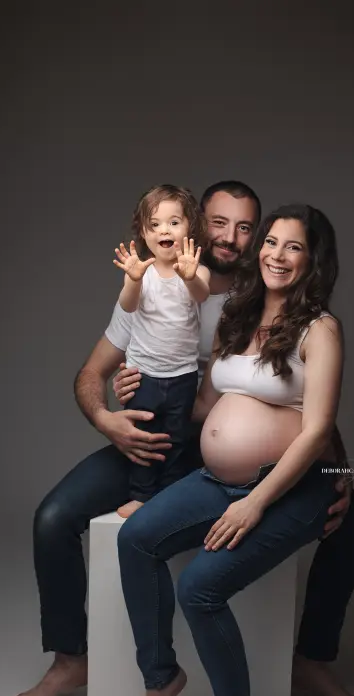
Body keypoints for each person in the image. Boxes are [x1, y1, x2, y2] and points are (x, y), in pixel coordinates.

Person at [7, 181, 354, 696]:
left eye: (247, 228)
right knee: (53, 517)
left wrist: (344, 470)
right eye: (219, 223)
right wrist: (108, 417)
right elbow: (91, 373)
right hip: (157, 443)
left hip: (229, 463)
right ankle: (70, 659)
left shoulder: (258, 298)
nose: (232, 237)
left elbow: (311, 414)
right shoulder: (153, 283)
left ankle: (313, 659)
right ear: (197, 224)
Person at [116, 203, 350, 696]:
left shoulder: (320, 328)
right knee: (136, 539)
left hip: (289, 489)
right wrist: (136, 384)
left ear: (312, 259)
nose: (275, 254)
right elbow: (203, 405)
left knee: (198, 589)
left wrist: (256, 501)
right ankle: (159, 677)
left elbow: (317, 428)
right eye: (270, 242)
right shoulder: (237, 314)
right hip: (218, 481)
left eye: (292, 246)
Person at [111, 184, 210, 517]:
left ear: (190, 229)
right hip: (143, 375)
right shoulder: (143, 273)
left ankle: (168, 495)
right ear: (143, 231)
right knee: (145, 437)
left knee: (176, 438)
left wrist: (190, 275)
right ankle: (141, 494)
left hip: (182, 375)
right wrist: (134, 280)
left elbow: (201, 294)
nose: (164, 230)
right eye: (155, 224)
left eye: (173, 222)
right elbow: (127, 305)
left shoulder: (195, 270)